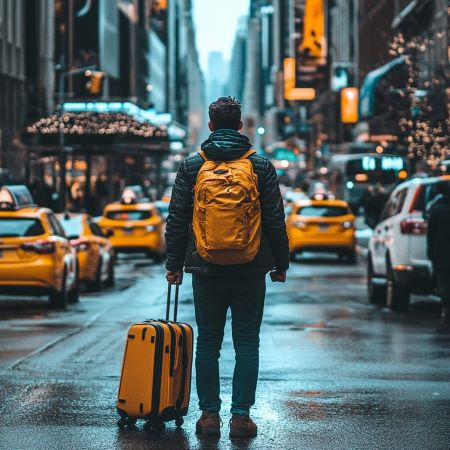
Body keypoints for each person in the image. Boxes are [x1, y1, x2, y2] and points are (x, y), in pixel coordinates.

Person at [165, 97, 289, 439]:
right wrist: (280, 264)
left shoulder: (192, 167)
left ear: (210, 125)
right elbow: (275, 221)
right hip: (251, 268)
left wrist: (174, 265)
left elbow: (176, 220)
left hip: (205, 268)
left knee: (208, 343)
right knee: (247, 343)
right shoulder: (260, 166)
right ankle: (240, 417)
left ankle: (208, 417)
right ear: (240, 126)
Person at [427, 180, 450, 331]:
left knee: (444, 286)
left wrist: (430, 252)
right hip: (441, 253)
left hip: (441, 255)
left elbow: (431, 235)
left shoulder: (436, 210)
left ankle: (447, 317)